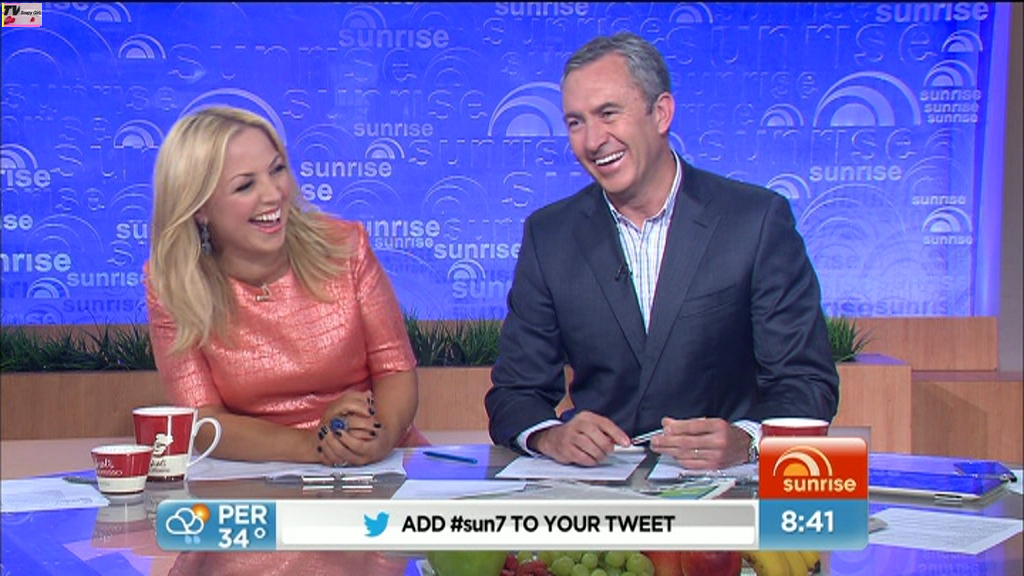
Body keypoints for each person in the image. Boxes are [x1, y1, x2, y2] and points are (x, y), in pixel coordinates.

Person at [485, 33, 840, 470]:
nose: (592, 140)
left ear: (661, 113)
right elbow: (515, 394)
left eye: (608, 114)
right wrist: (550, 436)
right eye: (576, 122)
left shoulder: (755, 222)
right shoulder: (550, 236)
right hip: (601, 494)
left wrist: (747, 441)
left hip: (726, 487)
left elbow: (806, 383)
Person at [146, 106, 427, 470]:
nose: (273, 194)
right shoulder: (172, 284)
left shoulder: (345, 247)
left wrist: (380, 437)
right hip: (255, 472)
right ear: (200, 207)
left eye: (277, 169)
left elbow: (394, 370)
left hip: (375, 461)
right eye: (245, 185)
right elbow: (203, 422)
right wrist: (313, 445)